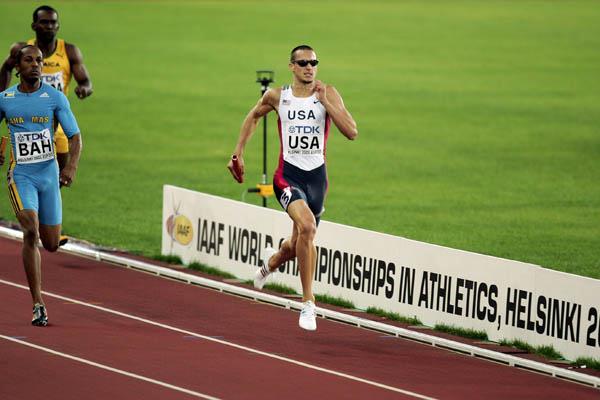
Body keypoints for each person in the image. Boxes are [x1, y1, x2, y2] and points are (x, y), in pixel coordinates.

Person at [228, 45, 358, 331]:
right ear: (292, 66)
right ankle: (308, 303)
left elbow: (351, 132)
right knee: (309, 228)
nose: (309, 67)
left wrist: (327, 103)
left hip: (317, 180)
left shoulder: (328, 93)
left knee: (297, 243)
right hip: (287, 177)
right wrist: (238, 153)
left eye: (313, 62)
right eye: (303, 63)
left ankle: (272, 261)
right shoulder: (278, 96)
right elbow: (253, 116)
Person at [0, 45, 82, 326]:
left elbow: (75, 136)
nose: (35, 65)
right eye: (28, 60)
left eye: (39, 61)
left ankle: (46, 239)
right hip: (21, 175)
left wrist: (70, 166)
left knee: (50, 244)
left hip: (48, 175)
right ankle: (38, 303)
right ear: (18, 66)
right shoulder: (5, 99)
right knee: (30, 230)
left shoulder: (55, 98)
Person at [0, 5, 92, 246]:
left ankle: (49, 222)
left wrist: (85, 88)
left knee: (55, 175)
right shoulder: (22, 49)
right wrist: (6, 96)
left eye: (53, 22)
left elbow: (85, 80)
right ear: (34, 26)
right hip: (30, 121)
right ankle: (35, 218)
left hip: (59, 124)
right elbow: (6, 68)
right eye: (45, 22)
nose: (50, 26)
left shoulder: (68, 51)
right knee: (36, 170)